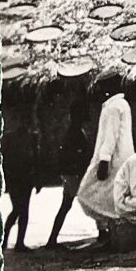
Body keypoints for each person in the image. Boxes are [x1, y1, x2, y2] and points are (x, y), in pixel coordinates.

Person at [76, 75, 134, 236]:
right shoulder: (121, 104)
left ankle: (110, 229)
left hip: (112, 159)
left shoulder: (113, 107)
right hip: (120, 158)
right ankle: (108, 229)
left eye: (102, 87)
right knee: (111, 195)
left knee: (87, 193)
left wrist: (104, 160)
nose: (99, 90)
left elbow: (111, 136)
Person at [45, 96, 92, 248]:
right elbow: (73, 156)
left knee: (66, 205)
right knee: (92, 200)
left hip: (72, 173)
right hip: (74, 174)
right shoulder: (74, 133)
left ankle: (52, 239)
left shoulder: (75, 131)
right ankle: (52, 240)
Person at [0, 102, 42, 251]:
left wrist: (37, 180)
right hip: (14, 177)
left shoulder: (32, 137)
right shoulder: (8, 138)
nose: (26, 123)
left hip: (26, 178)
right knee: (18, 209)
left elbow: (36, 159)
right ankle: (4, 240)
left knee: (24, 210)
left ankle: (19, 242)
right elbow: (2, 159)